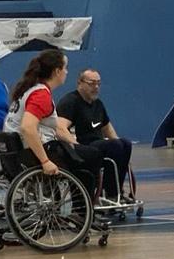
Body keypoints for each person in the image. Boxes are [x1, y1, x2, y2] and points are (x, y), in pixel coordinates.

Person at [3, 49, 102, 196]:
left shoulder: (29, 90)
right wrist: (45, 161)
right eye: (65, 68)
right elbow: (28, 128)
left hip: (20, 149)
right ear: (57, 71)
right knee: (93, 155)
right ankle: (83, 208)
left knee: (81, 151)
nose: (67, 72)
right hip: (36, 150)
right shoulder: (40, 95)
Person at [56, 69, 132, 201]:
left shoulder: (98, 104)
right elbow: (60, 128)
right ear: (80, 83)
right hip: (83, 145)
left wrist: (123, 150)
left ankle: (116, 191)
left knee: (125, 144)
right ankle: (111, 192)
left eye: (98, 83)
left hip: (99, 144)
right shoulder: (70, 102)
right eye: (91, 83)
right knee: (114, 146)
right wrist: (76, 146)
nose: (96, 87)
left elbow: (108, 128)